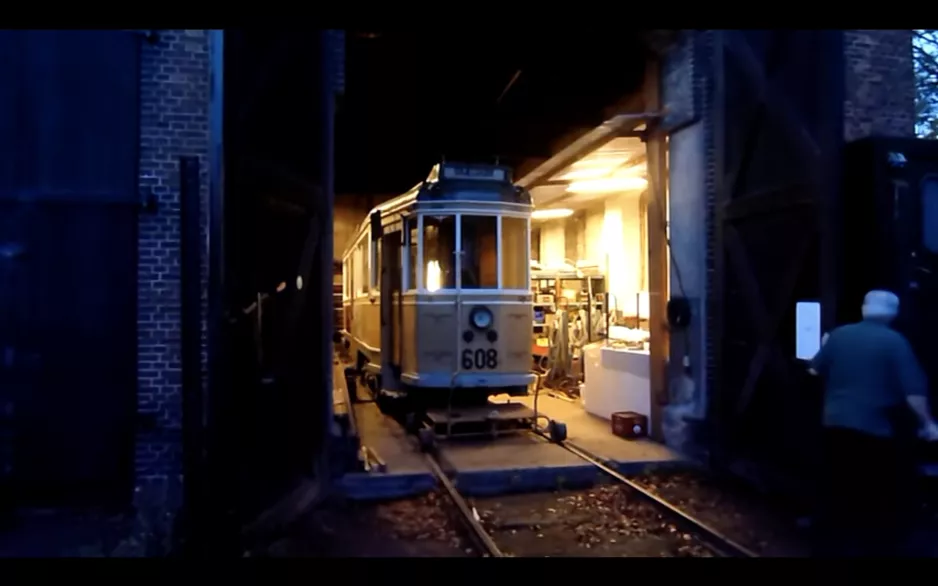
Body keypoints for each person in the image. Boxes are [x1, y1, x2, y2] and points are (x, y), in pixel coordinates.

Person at [808, 290, 938, 557]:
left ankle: (828, 545)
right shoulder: (895, 342)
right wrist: (928, 423)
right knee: (873, 491)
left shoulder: (840, 335)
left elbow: (812, 369)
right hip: (872, 430)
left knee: (836, 487)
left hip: (834, 424)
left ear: (864, 308)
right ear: (894, 313)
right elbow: (913, 393)